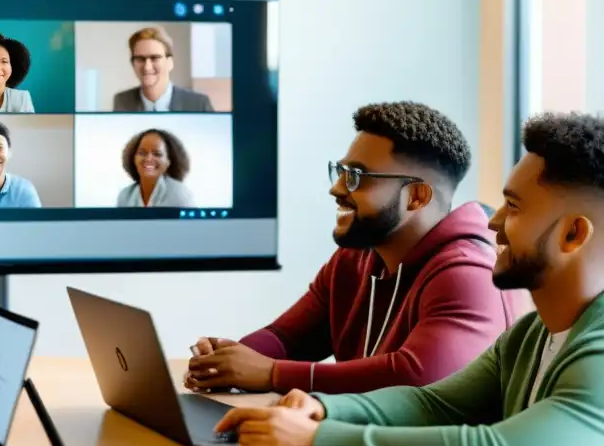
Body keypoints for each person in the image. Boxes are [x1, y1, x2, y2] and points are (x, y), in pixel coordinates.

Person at [215, 112, 604, 446]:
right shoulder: (531, 335)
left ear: (573, 234)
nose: (492, 223)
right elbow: (432, 401)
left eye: (513, 207)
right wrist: (323, 409)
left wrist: (316, 444)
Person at [187, 101, 528, 395]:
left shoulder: (469, 273)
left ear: (417, 196)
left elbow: (420, 377)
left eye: (358, 177)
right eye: (341, 171)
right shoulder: (355, 259)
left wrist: (270, 374)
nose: (337, 188)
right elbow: (287, 337)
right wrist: (225, 361)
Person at [112, 26, 214, 112]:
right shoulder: (122, 101)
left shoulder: (199, 104)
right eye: (140, 59)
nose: (147, 67)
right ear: (132, 63)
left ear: (170, 63)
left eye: (155, 58)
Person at [116, 129, 195, 208]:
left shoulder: (180, 194)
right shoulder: (125, 196)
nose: (148, 159)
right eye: (142, 153)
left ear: (168, 161)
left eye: (157, 154)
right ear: (133, 158)